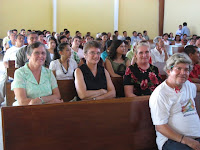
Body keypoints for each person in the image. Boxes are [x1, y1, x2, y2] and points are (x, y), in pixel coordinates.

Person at [149, 53, 200, 150]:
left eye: (186, 70)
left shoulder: (187, 85)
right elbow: (160, 126)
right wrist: (186, 140)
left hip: (196, 137)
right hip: (173, 141)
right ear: (169, 71)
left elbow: (196, 87)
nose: (183, 73)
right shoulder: (160, 94)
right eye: (178, 69)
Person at [11, 42, 63, 106]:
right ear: (28, 55)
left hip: (47, 110)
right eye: (37, 53)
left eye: (43, 53)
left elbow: (57, 95)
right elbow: (22, 102)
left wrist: (40, 100)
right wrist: (49, 102)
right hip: (25, 111)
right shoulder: (20, 73)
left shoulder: (48, 73)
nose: (41, 56)